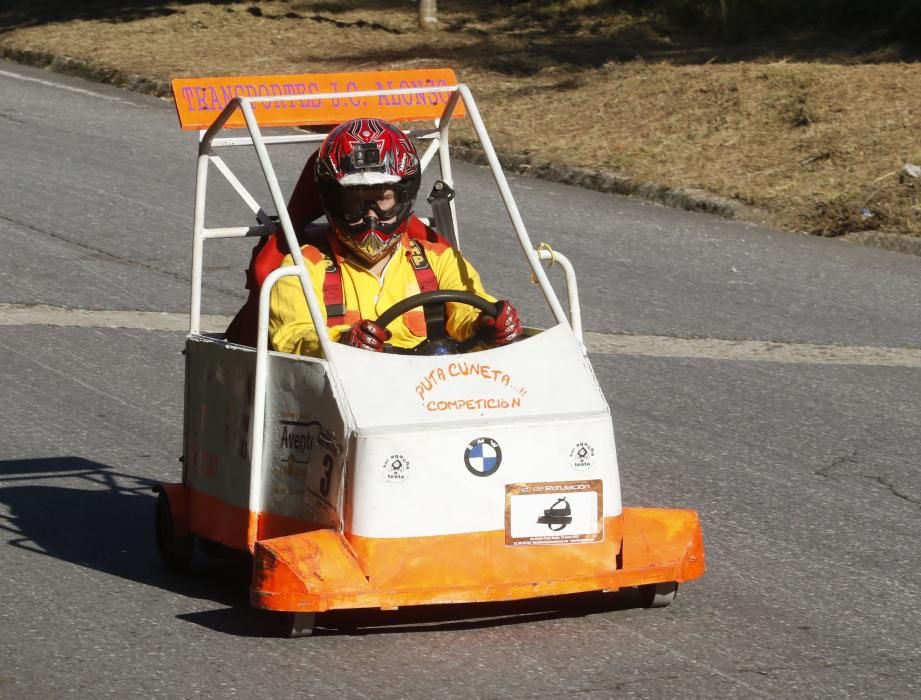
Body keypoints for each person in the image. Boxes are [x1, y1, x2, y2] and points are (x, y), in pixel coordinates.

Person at [268, 118, 521, 356]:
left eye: (382, 199)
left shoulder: (440, 260)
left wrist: (488, 322)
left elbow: (468, 312)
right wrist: (342, 343)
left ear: (404, 197)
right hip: (347, 391)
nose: (370, 216)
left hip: (436, 389)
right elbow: (292, 335)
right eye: (355, 201)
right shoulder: (302, 268)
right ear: (332, 201)